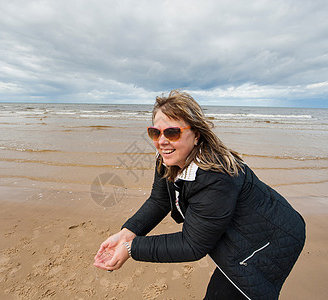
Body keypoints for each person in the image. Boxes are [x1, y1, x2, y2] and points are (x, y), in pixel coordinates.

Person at [94, 90, 306, 299]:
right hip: (239, 229)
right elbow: (160, 200)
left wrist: (131, 249)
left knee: (233, 288)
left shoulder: (216, 176)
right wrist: (127, 233)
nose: (161, 141)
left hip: (272, 238)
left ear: (196, 134)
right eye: (155, 132)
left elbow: (192, 245)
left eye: (172, 132)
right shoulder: (167, 157)